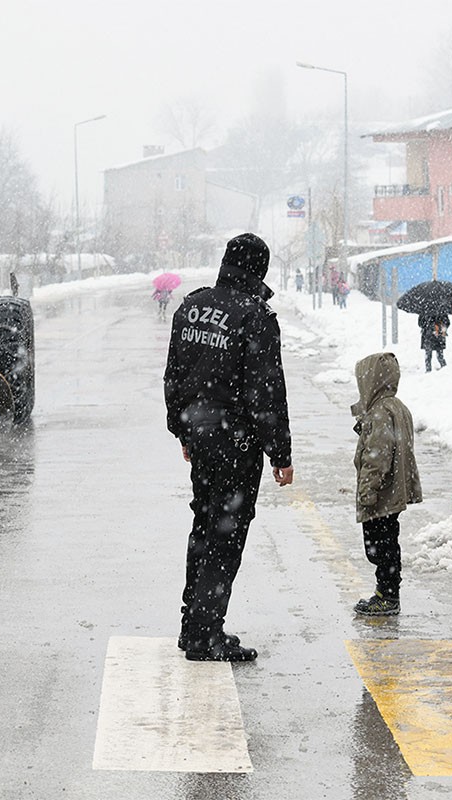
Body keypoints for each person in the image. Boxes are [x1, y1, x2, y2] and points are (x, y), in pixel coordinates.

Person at [164, 232, 294, 662]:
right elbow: (267, 392)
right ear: (259, 269)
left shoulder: (191, 306)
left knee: (204, 525)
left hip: (199, 435)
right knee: (226, 535)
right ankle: (206, 635)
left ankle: (192, 626)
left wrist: (182, 431)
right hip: (235, 442)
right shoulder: (255, 316)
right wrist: (280, 453)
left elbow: (174, 377)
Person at [350, 352, 422, 616]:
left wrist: (368, 491)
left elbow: (376, 457)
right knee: (388, 541)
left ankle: (387, 595)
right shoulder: (396, 407)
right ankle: (387, 591)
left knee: (379, 545)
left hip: (381, 493)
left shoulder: (381, 413)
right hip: (394, 491)